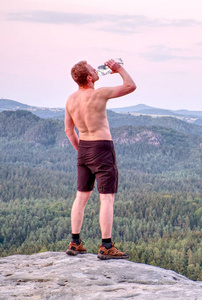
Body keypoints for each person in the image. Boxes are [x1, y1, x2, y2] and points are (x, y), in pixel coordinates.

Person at [64, 59, 136, 260]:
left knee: (81, 197)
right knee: (106, 197)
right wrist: (119, 69)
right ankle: (106, 246)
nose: (96, 71)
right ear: (89, 78)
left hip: (84, 148)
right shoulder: (99, 93)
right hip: (102, 147)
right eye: (93, 70)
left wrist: (82, 151)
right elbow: (130, 86)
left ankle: (75, 242)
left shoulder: (70, 100)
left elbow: (69, 130)